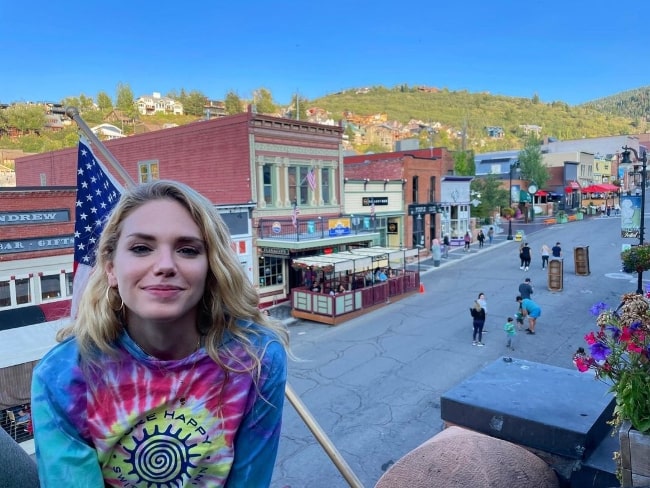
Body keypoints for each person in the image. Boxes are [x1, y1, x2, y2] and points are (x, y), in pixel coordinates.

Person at [31, 180, 289, 487]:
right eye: (141, 248)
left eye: (188, 250)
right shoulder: (62, 376)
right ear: (111, 268)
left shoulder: (256, 358)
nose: (165, 265)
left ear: (210, 268)